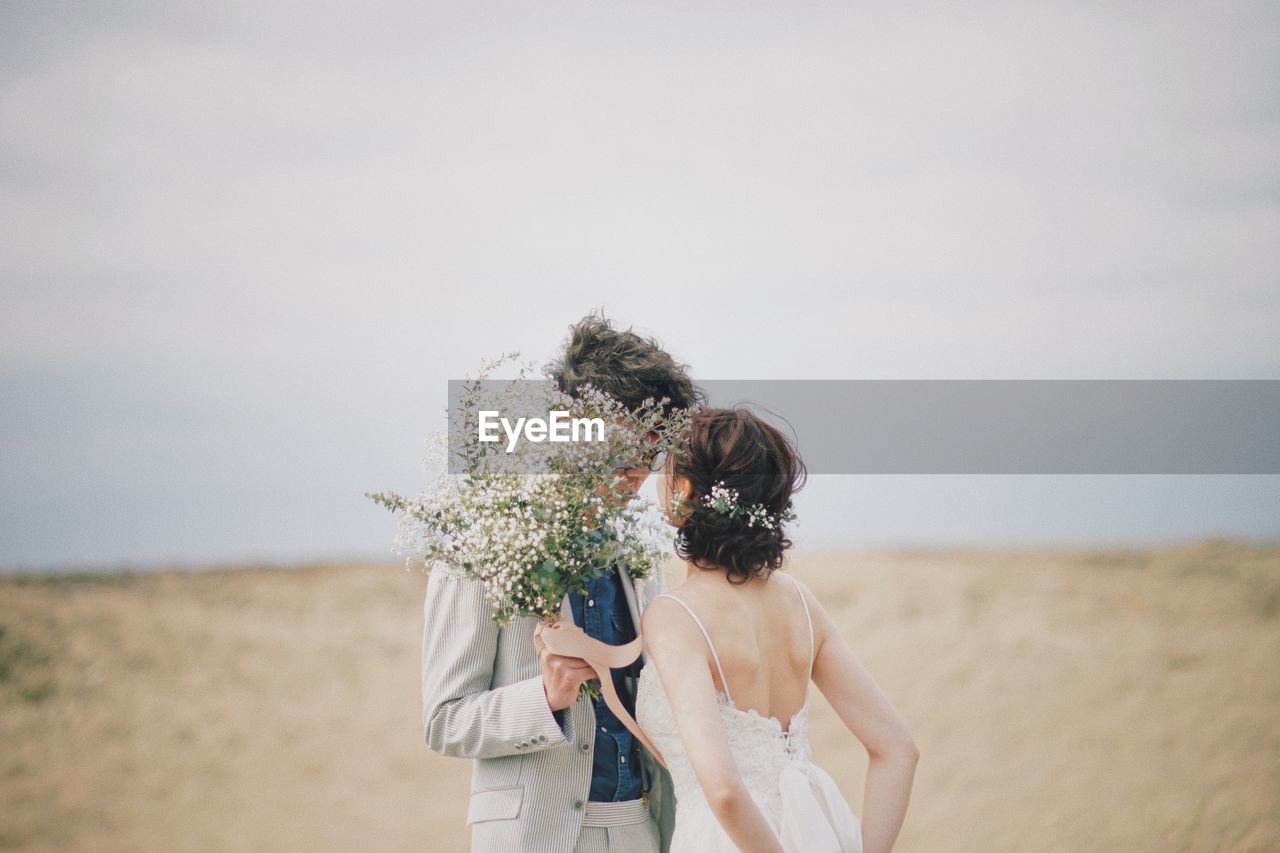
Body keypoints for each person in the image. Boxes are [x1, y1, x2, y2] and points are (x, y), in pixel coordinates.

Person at [420, 312, 702, 852]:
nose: (638, 473)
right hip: (531, 835)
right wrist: (544, 697)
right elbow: (443, 719)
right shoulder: (479, 541)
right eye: (625, 449)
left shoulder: (640, 553)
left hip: (641, 828)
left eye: (652, 453)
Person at [636, 407, 919, 853]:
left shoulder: (675, 616)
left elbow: (725, 791)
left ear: (684, 490)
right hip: (817, 834)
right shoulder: (800, 602)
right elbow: (899, 749)